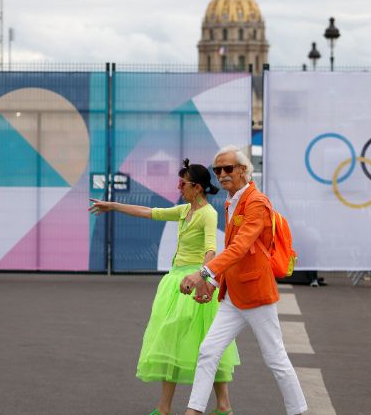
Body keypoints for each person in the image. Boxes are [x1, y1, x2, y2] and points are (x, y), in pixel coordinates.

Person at [89, 159, 239, 415]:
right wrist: (113, 206)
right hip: (174, 283)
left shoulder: (208, 214)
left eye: (184, 183)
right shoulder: (184, 211)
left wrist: (201, 278)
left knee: (208, 344)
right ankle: (165, 407)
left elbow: (211, 250)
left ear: (198, 188)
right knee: (171, 342)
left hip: (193, 284)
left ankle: (222, 405)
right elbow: (149, 212)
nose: (179, 187)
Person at [179, 145, 307, 415]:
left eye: (228, 168)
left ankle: (298, 411)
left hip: (257, 294)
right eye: (217, 170)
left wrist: (202, 273)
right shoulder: (231, 201)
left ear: (244, 170)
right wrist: (213, 284)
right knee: (208, 351)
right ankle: (194, 411)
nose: (222, 174)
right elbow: (232, 253)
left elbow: (240, 248)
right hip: (233, 296)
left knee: (275, 359)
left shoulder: (257, 202)